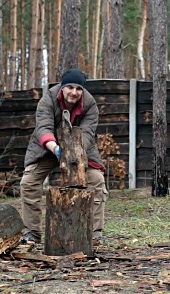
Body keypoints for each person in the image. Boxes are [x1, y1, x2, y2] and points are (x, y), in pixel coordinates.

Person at [20, 69, 108, 245]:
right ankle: (32, 232)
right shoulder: (48, 100)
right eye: (70, 87)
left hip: (80, 149)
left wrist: (73, 151)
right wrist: (57, 149)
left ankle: (95, 233)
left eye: (78, 89)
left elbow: (88, 133)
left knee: (96, 180)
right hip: (48, 147)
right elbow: (43, 128)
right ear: (62, 87)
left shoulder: (90, 105)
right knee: (28, 182)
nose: (74, 92)